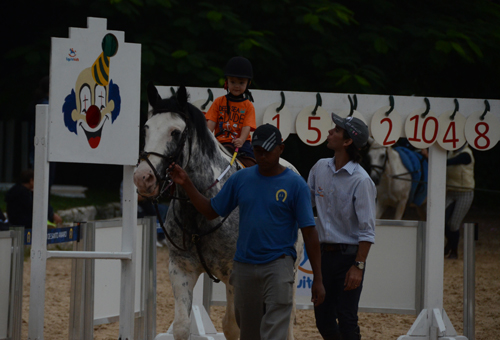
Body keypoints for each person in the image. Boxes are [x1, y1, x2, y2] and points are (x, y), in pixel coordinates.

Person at [169, 124, 325, 340]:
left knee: (274, 332)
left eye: (267, 151)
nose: (262, 157)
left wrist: (318, 277)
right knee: (248, 333)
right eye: (258, 151)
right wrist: (187, 184)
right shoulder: (240, 179)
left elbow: (309, 232)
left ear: (281, 148)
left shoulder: (295, 184)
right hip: (243, 268)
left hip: (278, 266)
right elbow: (211, 210)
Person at [308, 114, 376, 340]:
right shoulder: (319, 168)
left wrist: (358, 265)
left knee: (347, 317)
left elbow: (367, 229)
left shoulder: (361, 180)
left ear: (348, 141)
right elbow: (306, 205)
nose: (330, 132)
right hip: (323, 256)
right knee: (323, 318)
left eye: (336, 130)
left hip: (349, 257)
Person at [205, 56, 257, 161]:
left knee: (253, 162)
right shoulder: (218, 102)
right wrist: (206, 137)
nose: (236, 86)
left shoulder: (248, 105)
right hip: (219, 142)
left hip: (241, 144)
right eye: (232, 82)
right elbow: (211, 123)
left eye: (241, 83)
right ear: (227, 81)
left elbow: (247, 126)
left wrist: (241, 140)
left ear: (248, 83)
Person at [444, 143, 475, 259]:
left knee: (453, 223)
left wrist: (428, 157)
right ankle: (450, 242)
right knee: (441, 220)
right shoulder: (451, 152)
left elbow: (452, 162)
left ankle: (454, 251)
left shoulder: (466, 154)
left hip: (464, 193)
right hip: (451, 191)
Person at [120, 181, 168, 247]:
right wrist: (150, 193)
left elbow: (155, 193)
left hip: (144, 203)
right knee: (148, 214)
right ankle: (153, 238)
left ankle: (161, 237)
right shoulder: (129, 180)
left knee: (162, 210)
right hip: (132, 207)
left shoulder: (146, 179)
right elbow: (138, 197)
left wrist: (153, 191)